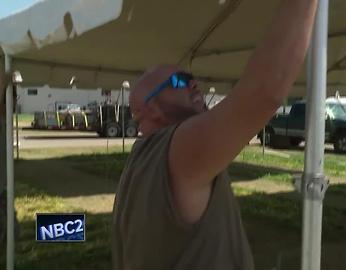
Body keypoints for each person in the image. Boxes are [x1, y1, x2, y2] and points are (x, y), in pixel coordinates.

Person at [112, 0, 318, 269]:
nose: (193, 84)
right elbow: (265, 92)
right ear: (150, 108)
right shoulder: (177, 150)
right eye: (179, 81)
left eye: (189, 77)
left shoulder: (143, 159)